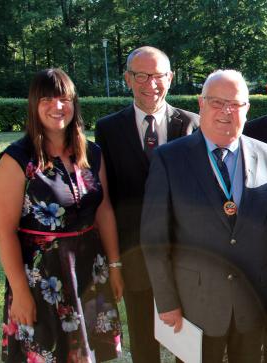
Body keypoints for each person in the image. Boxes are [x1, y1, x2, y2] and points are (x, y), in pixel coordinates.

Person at [141, 70, 267, 362]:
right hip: (195, 302)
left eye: (235, 104)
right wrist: (167, 302)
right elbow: (155, 239)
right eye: (217, 102)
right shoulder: (169, 159)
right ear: (201, 104)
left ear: (247, 108)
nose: (226, 111)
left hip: (252, 299)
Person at [0, 68, 123, 362]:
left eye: (64, 99)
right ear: (34, 105)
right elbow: (4, 232)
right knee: (49, 352)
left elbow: (103, 210)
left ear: (74, 103)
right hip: (42, 278)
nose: (57, 106)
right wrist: (20, 291)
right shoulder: (17, 159)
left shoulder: (92, 153)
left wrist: (114, 264)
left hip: (90, 270)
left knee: (89, 354)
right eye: (47, 100)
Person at [94, 46, 198, 363]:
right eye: (141, 75)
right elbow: (106, 199)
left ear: (170, 78)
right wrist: (114, 263)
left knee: (186, 343)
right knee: (143, 343)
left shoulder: (191, 124)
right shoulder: (109, 129)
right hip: (134, 254)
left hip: (184, 258)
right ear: (127, 79)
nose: (149, 83)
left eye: (157, 75)